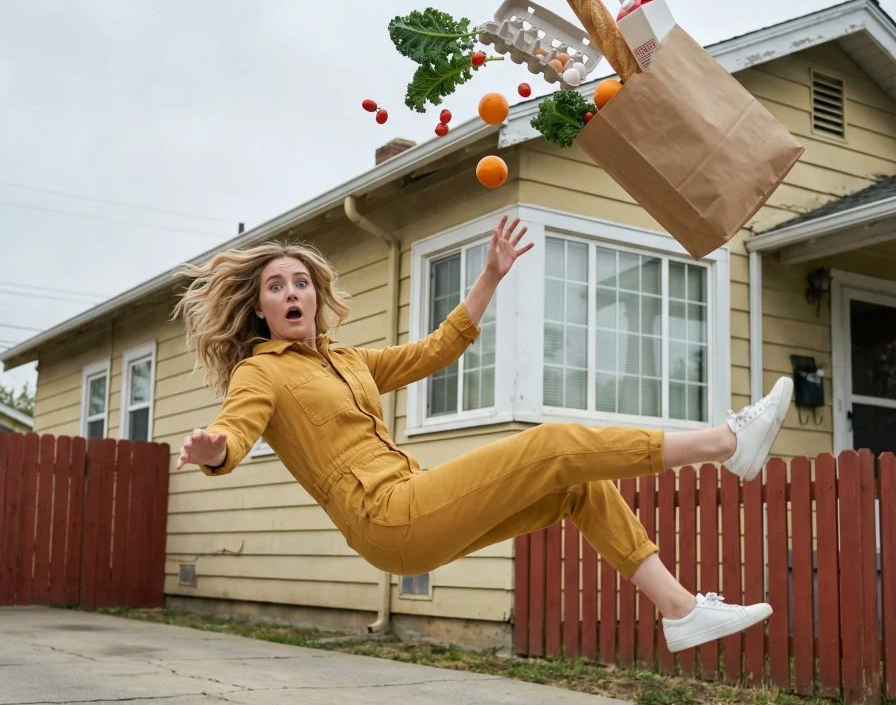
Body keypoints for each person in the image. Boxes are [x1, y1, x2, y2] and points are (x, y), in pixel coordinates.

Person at [174, 217, 792, 653]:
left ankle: (680, 610)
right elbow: (236, 428)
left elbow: (437, 349)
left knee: (579, 485)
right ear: (260, 308)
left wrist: (492, 274)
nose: (291, 292)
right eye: (276, 286)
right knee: (549, 444)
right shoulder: (261, 371)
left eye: (300, 282)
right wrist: (214, 450)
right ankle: (725, 444)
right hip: (384, 516)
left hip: (416, 502)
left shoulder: (349, 361)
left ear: (315, 295)